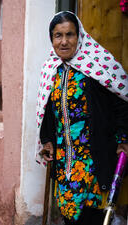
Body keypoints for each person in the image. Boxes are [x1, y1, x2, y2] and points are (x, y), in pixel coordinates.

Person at [36, 11, 128, 225]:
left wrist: (123, 139)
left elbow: (122, 102)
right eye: (58, 36)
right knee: (69, 217)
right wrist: (47, 139)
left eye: (70, 34)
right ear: (52, 39)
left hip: (93, 162)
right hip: (65, 164)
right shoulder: (51, 70)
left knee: (93, 218)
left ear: (80, 36)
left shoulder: (97, 66)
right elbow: (46, 112)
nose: (64, 41)